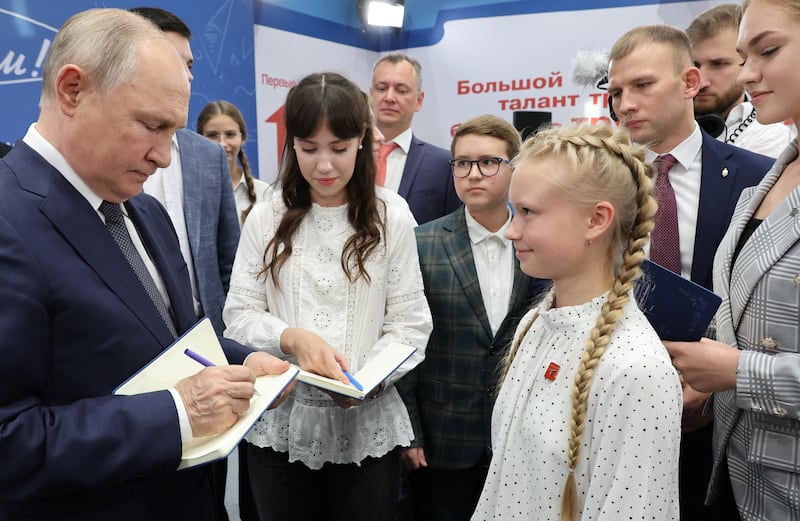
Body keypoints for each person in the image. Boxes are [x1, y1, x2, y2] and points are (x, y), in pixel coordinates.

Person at [0, 9, 290, 520]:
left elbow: (170, 338)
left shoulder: (145, 211)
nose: (164, 157)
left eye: (173, 131)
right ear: (72, 90)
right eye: (152, 126)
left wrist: (243, 362)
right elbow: (10, 439)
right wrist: (178, 413)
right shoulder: (9, 217)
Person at [222, 72, 433, 521]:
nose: (323, 166)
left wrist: (366, 381)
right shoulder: (268, 215)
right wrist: (289, 337)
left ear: (361, 140)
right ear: (291, 144)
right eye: (308, 148)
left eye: (338, 149)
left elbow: (411, 323)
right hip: (282, 426)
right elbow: (239, 314)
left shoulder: (391, 216)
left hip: (366, 429)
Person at [472, 123, 682, 520]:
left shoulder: (636, 370)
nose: (511, 231)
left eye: (529, 213)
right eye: (514, 212)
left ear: (596, 220)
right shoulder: (534, 324)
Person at [606, 24, 773, 521]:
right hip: (617, 406)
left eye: (642, 85)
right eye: (616, 92)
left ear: (690, 81)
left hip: (720, 411)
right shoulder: (599, 179)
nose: (625, 104)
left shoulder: (759, 177)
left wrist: (712, 381)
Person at [666, 1, 800, 518]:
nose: (747, 74)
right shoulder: (769, 177)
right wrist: (709, 386)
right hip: (741, 476)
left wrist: (738, 371)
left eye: (767, 50)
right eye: (742, 57)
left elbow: (746, 360)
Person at [397, 115, 547, 521]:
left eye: (488, 162)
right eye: (462, 163)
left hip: (522, 433)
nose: (473, 174)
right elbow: (404, 344)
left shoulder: (542, 241)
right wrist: (409, 428)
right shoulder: (421, 243)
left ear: (513, 167)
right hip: (445, 436)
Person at [131, 7, 240, 337]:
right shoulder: (109, 156)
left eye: (190, 66)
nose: (188, 76)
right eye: (177, 63)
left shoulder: (208, 155)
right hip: (139, 333)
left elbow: (228, 258)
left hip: (208, 330)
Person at [686, 3, 792, 158]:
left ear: (746, 63)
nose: (701, 82)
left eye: (718, 64)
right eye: (694, 65)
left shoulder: (770, 137)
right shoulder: (659, 128)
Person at [370, 52, 461, 224]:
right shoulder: (347, 156)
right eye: (381, 88)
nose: (389, 98)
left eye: (401, 90)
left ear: (419, 100)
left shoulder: (444, 164)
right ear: (370, 94)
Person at [198, 100, 272, 226]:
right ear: (199, 139)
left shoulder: (264, 193)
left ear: (242, 138)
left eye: (230, 134)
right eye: (213, 135)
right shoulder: (189, 193)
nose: (222, 144)